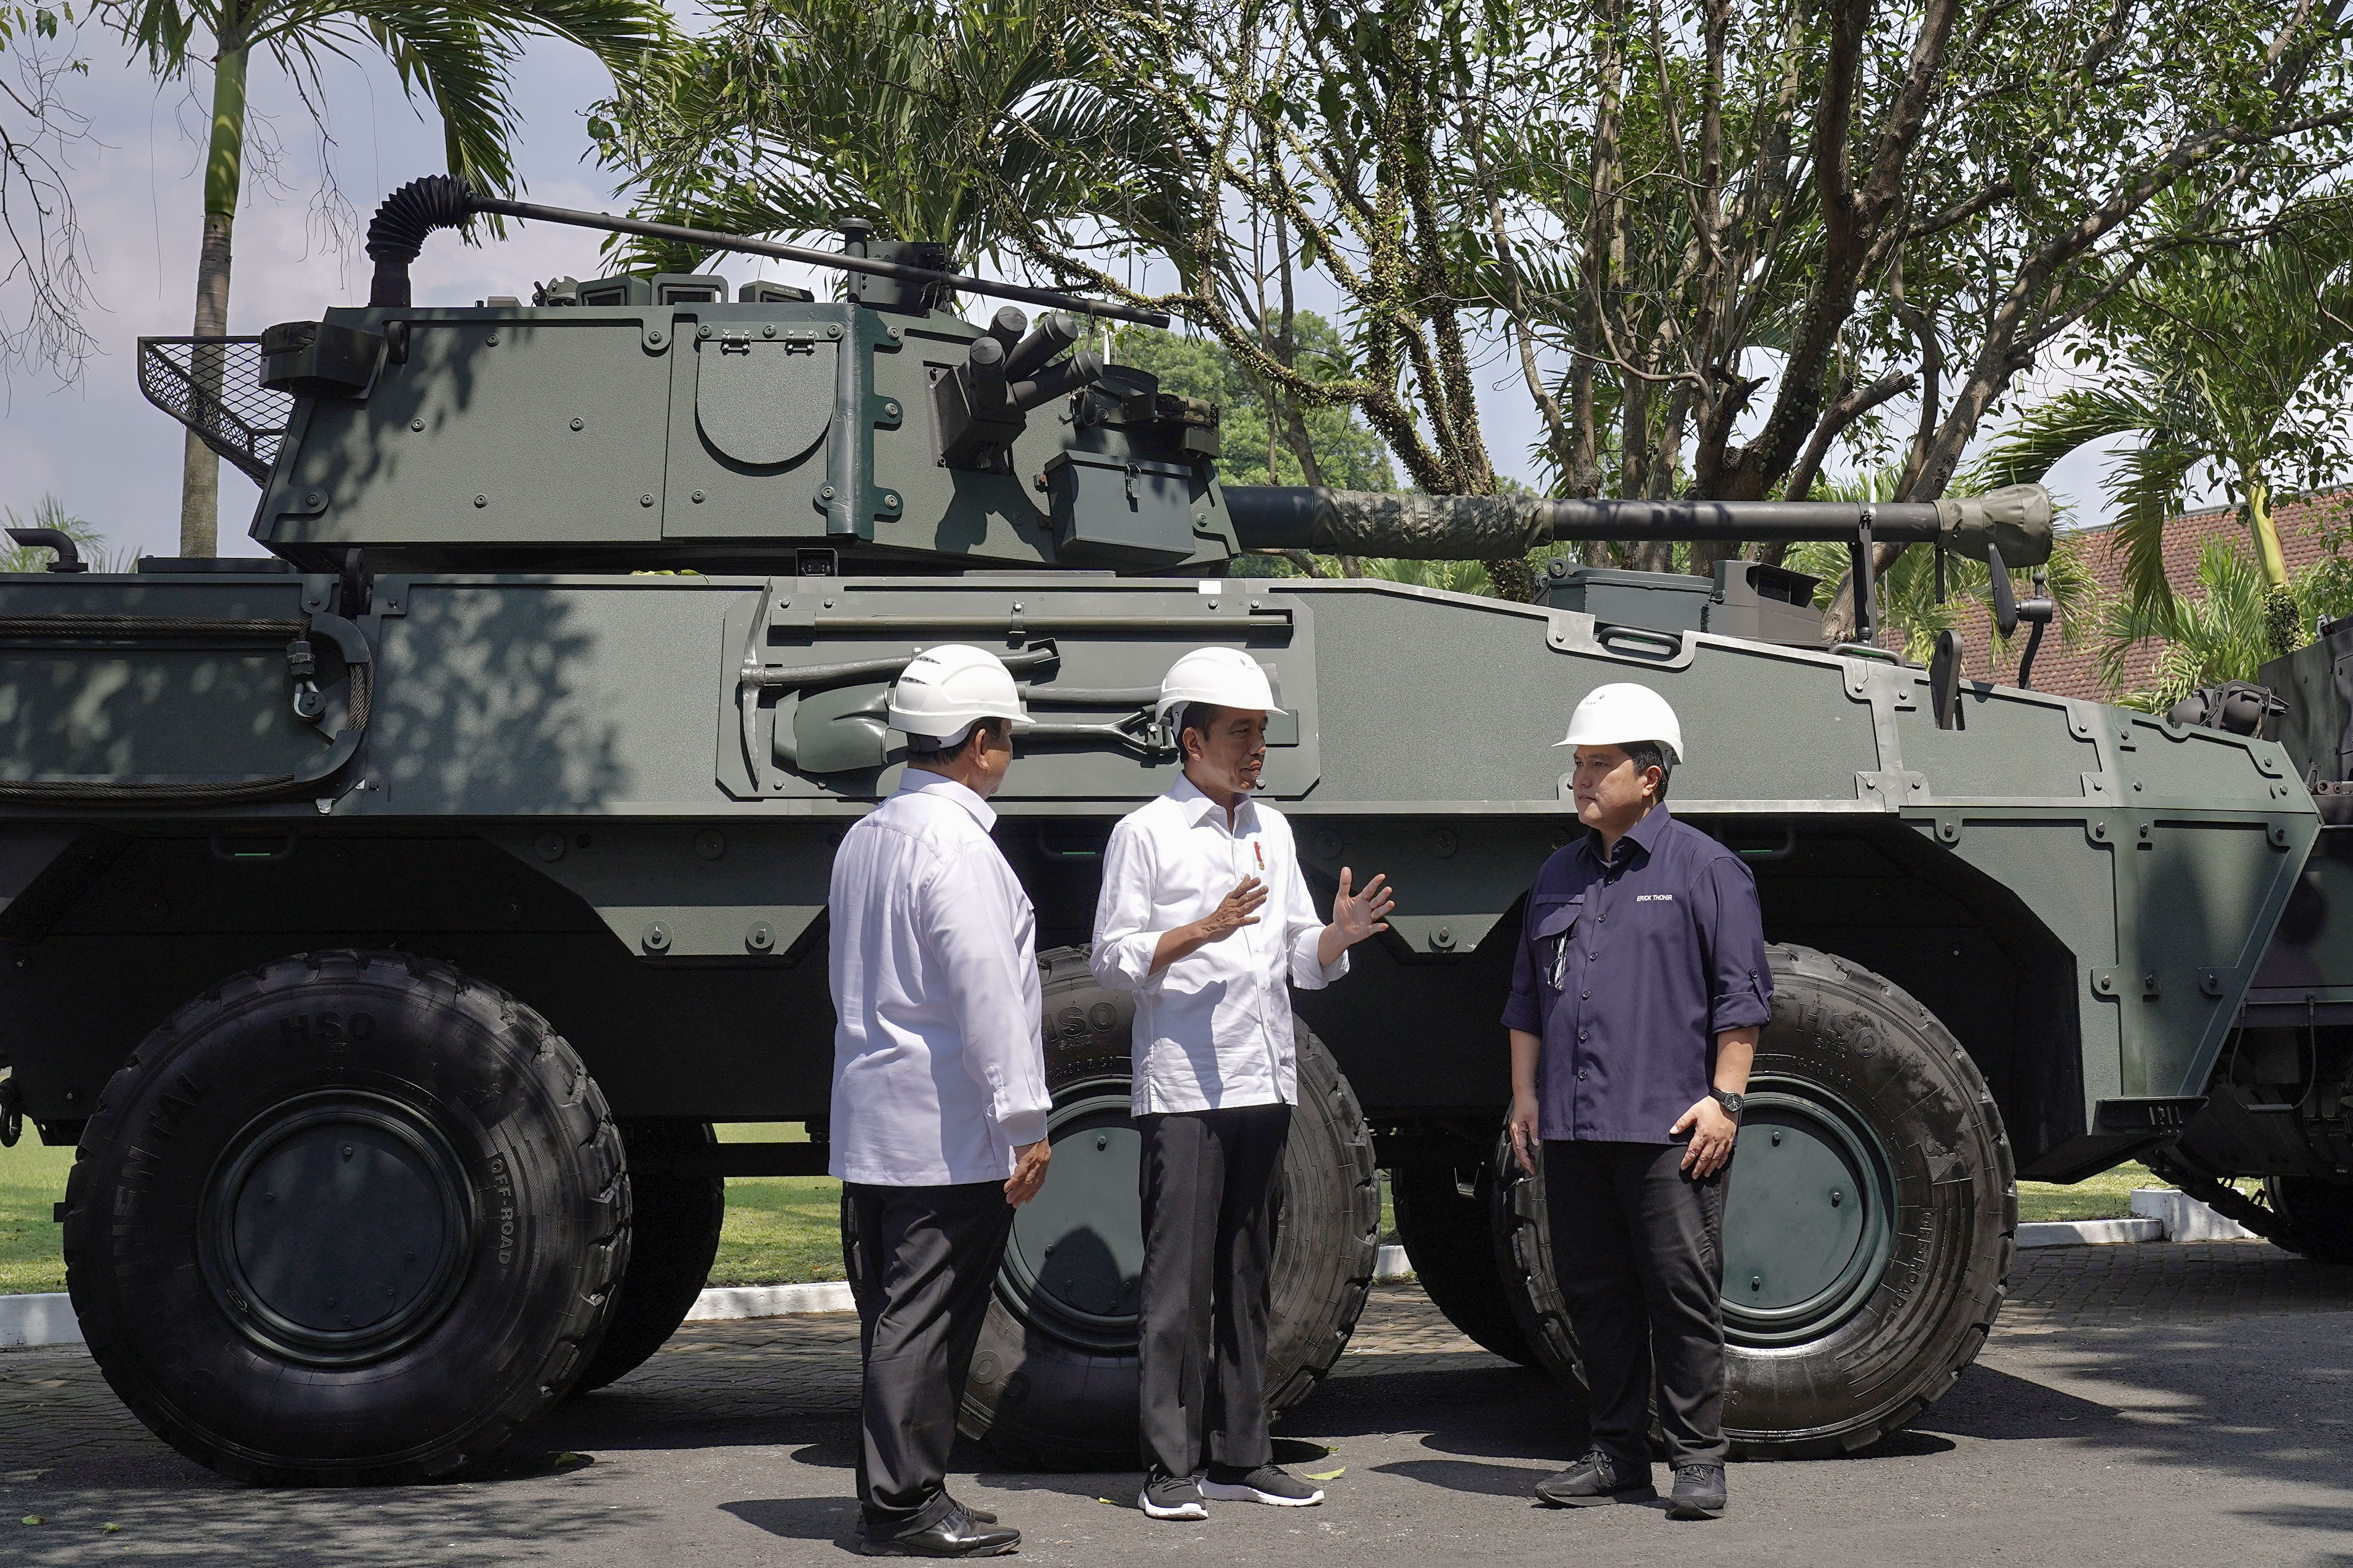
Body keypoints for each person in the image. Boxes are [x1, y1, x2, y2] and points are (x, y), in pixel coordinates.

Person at [1091, 646, 1396, 1523]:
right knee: (1177, 1286)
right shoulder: (1144, 834)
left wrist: (1335, 938)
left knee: (1248, 1276)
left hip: (1264, 1082)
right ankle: (1168, 1468)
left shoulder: (1273, 829)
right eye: (1239, 734)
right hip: (1186, 1088)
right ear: (1191, 741)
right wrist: (1203, 928)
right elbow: (1113, 961)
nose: (1256, 750)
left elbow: (1298, 954)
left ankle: (1243, 1455)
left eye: (1262, 734)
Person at [1502, 683, 1771, 1523]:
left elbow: (1742, 1002)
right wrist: (1524, 1096)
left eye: (1597, 763)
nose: (1580, 778)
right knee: (1595, 1295)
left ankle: (1697, 1460)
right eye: (1578, 764)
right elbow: (1525, 999)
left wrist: (1726, 1101)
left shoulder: (1706, 870)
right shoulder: (1556, 873)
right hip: (1576, 1128)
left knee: (1680, 1293)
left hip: (1669, 1128)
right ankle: (1617, 1454)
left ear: (1649, 777)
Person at [829, 644, 1054, 1558]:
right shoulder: (959, 848)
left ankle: (908, 1492)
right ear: (980, 743)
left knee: (897, 1315)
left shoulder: (867, 837)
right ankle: (902, 1505)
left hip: (879, 1116)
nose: (1009, 754)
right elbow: (989, 996)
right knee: (926, 1320)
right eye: (1007, 737)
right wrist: (1028, 1124)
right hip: (946, 1128)